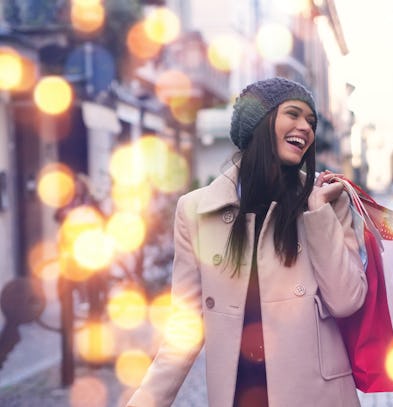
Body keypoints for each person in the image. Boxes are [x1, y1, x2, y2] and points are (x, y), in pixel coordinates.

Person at [127, 77, 367, 407]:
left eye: (310, 121)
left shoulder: (325, 202)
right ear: (260, 122)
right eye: (293, 114)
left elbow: (347, 300)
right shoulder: (196, 211)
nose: (306, 128)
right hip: (241, 395)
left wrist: (318, 213)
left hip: (316, 396)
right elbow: (184, 327)